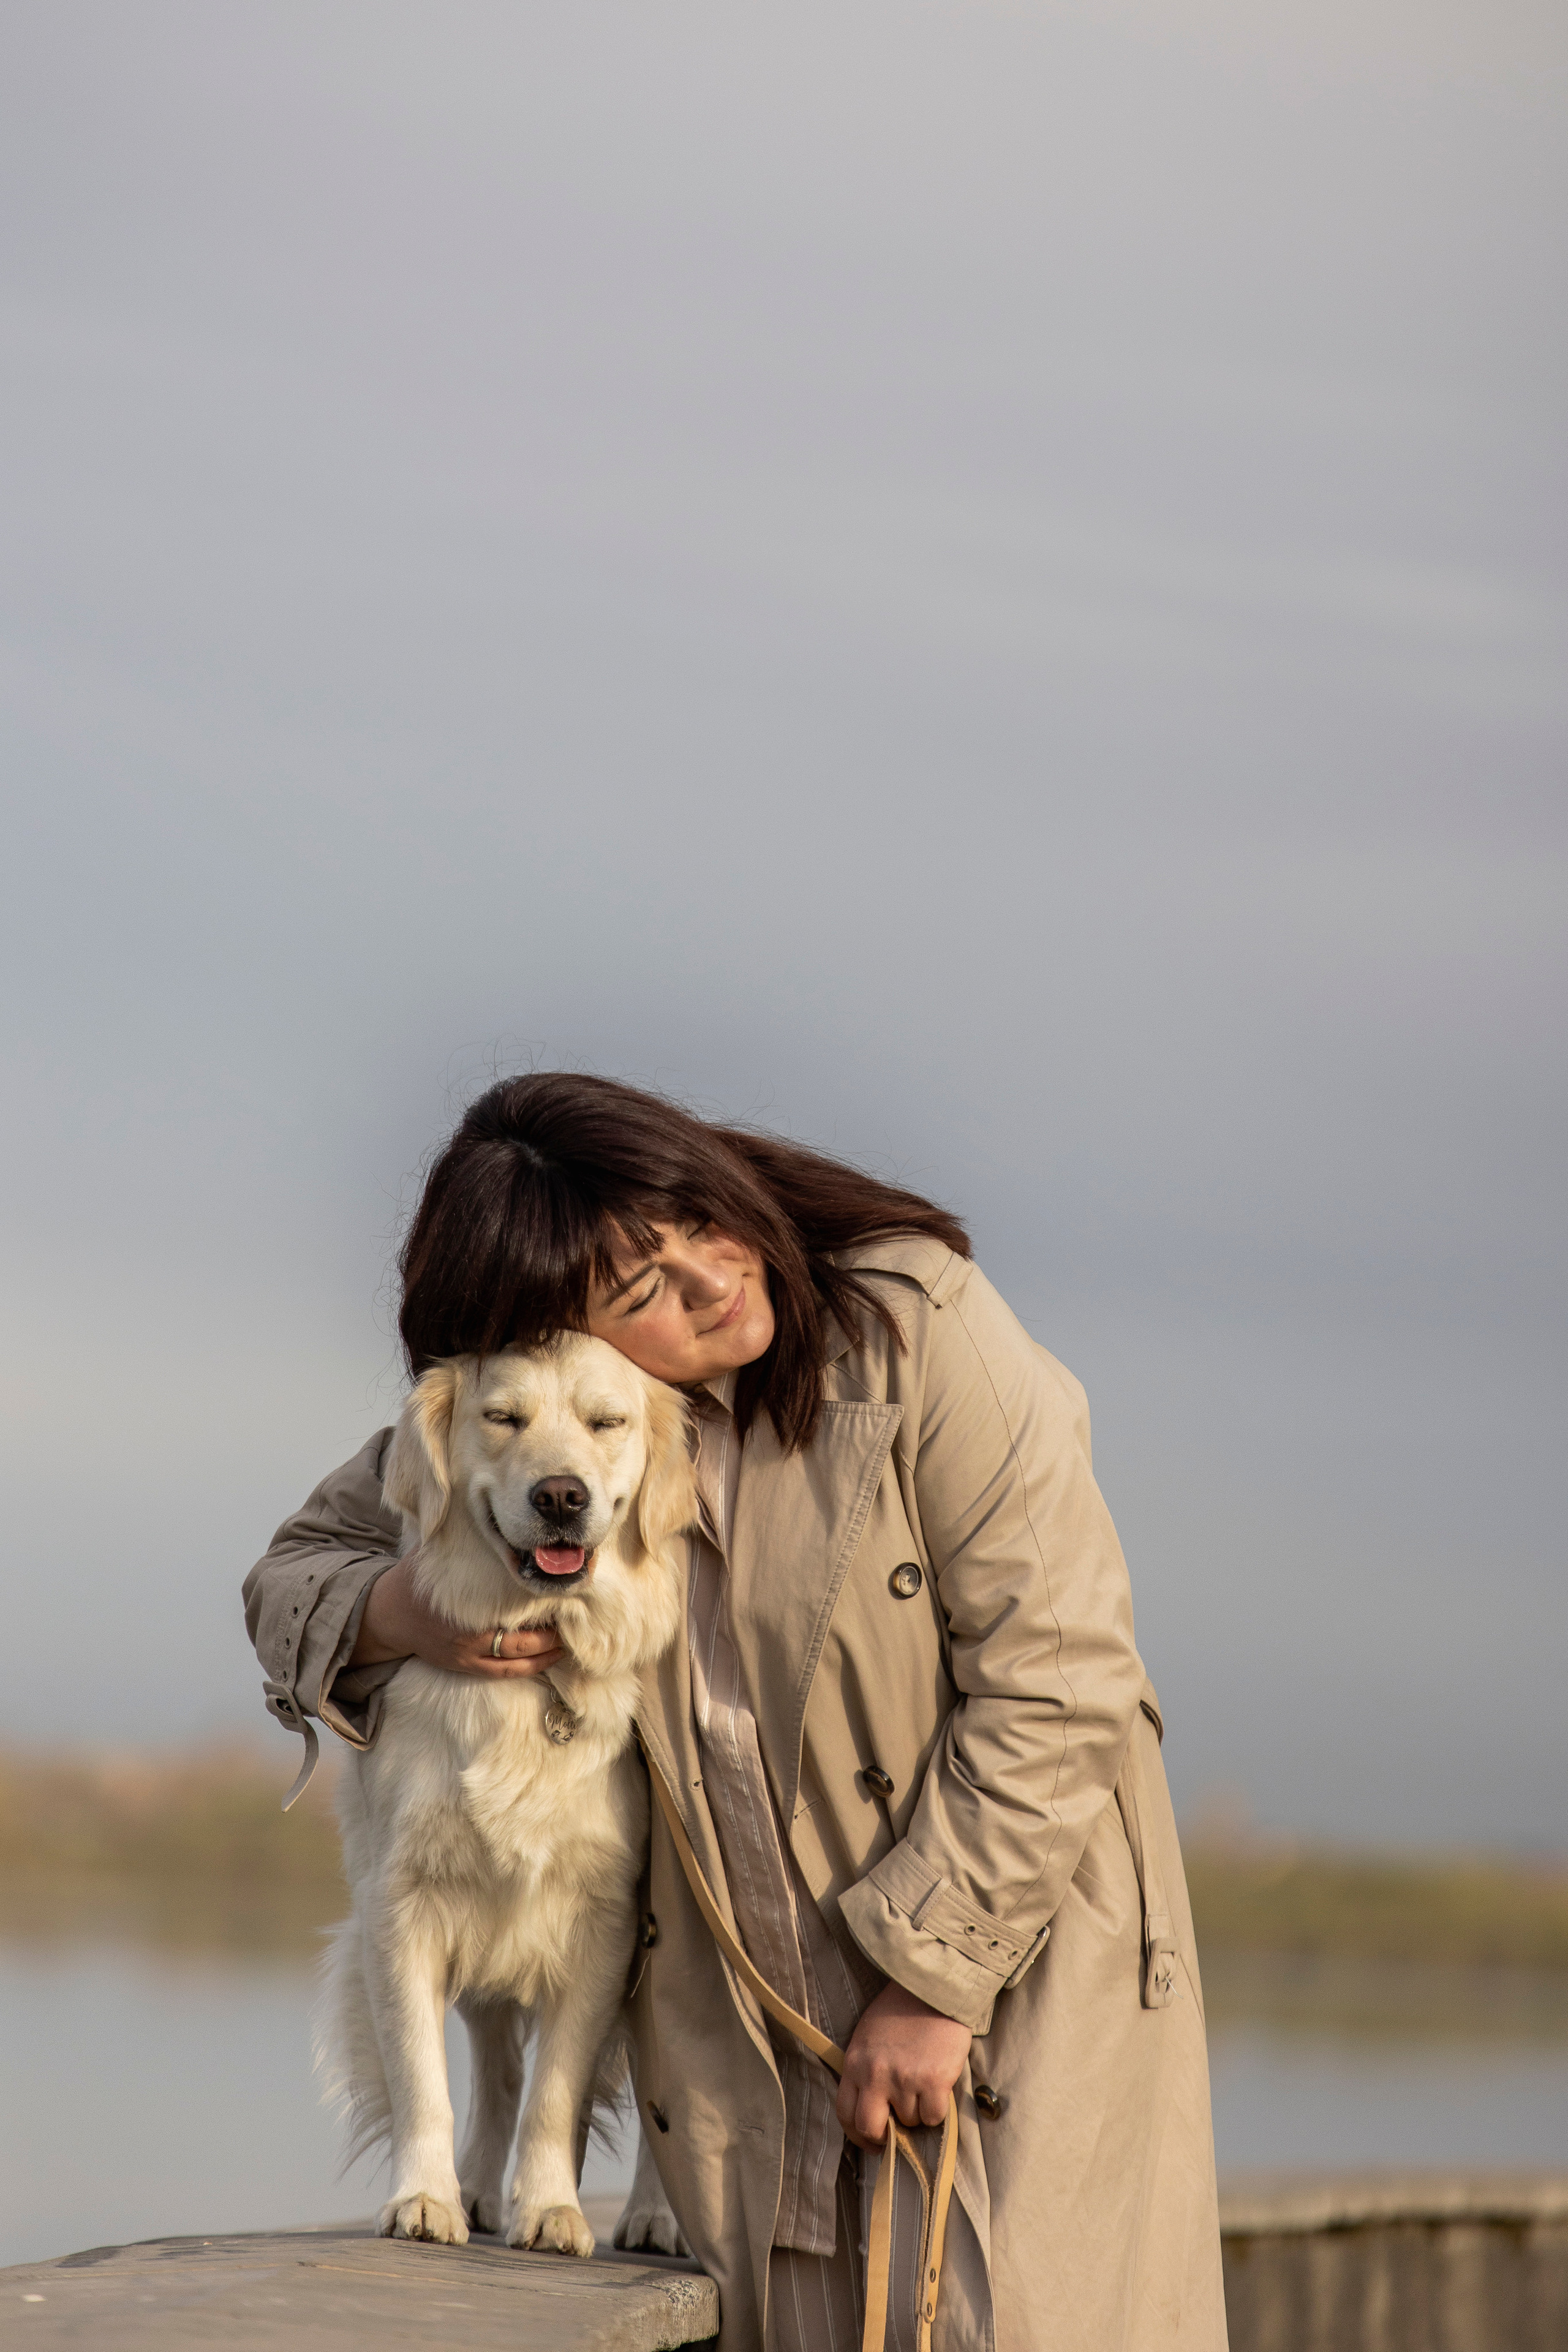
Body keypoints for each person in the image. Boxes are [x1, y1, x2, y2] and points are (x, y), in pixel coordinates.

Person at [244, 1072, 1227, 2352]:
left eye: (699, 1222)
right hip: (748, 2046)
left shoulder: (920, 1328)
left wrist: (936, 1976)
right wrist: (402, 1616)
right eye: (639, 1292)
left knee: (1018, 2318)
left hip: (1006, 1980)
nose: (712, 1279)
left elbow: (1065, 1670)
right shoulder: (573, 1417)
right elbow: (292, 1575)